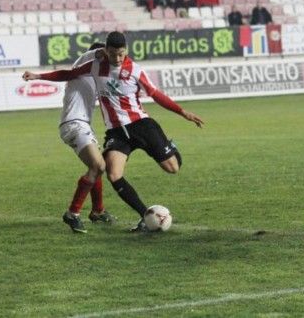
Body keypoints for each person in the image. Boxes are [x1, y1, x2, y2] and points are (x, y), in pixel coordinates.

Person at [23, 32, 204, 232]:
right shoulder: (95, 66)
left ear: (125, 50)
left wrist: (182, 112)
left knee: (173, 168)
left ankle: (169, 146)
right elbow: (69, 73)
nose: (117, 58)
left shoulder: (135, 69)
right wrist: (38, 76)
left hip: (141, 124)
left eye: (121, 54)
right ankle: (145, 216)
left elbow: (156, 94)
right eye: (112, 54)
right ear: (105, 51)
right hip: (116, 132)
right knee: (113, 174)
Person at [51, 42, 116, 233]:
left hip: (81, 124)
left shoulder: (94, 76)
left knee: (96, 166)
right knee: (98, 165)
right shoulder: (86, 63)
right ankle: (73, 213)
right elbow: (96, 54)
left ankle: (98, 211)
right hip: (74, 124)